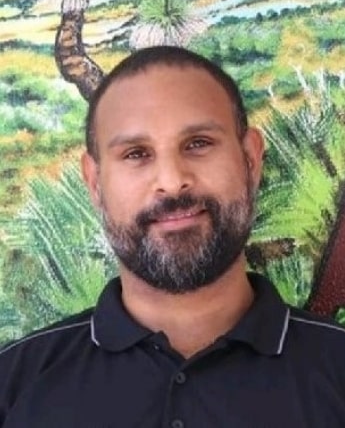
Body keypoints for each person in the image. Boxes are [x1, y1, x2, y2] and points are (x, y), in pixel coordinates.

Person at [1, 46, 345, 428]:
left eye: (198, 143)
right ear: (95, 182)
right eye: (135, 153)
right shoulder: (14, 385)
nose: (171, 181)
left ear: (250, 159)